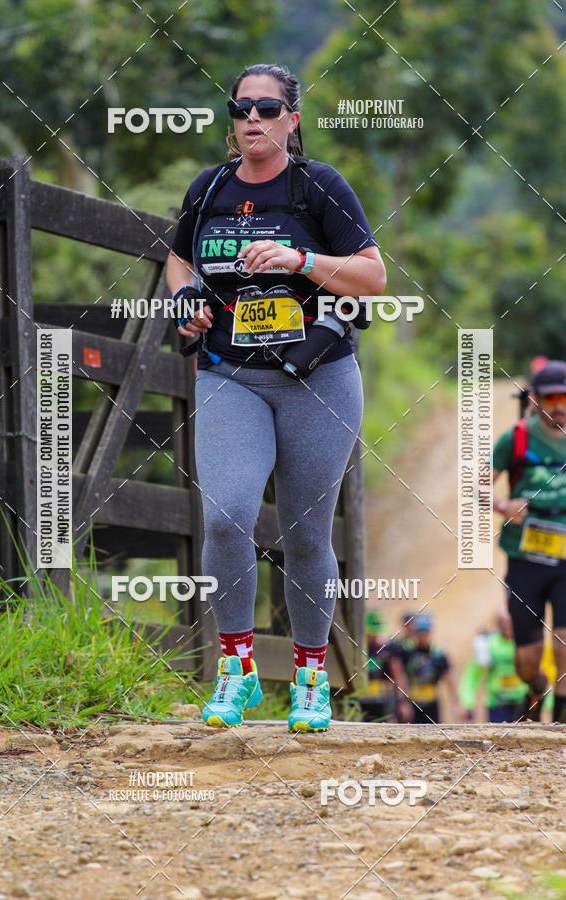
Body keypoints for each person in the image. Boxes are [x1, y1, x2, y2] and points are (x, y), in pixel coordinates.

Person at [166, 63, 386, 731]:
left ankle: (312, 678)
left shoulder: (320, 187)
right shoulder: (208, 191)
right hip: (229, 371)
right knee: (228, 516)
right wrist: (184, 300)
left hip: (317, 378)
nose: (253, 119)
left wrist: (300, 263)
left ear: (292, 119)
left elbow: (372, 277)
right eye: (241, 109)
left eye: (268, 108)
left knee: (306, 532)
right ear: (232, 122)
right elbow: (178, 257)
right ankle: (236, 672)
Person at [492, 359, 566, 722]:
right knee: (526, 660)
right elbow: (476, 485)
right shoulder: (516, 439)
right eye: (552, 398)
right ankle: (536, 690)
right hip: (525, 555)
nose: (560, 407)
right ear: (536, 400)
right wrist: (504, 505)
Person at [459, 608, 528, 723]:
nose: (507, 628)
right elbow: (473, 675)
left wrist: (547, 701)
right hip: (498, 706)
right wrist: (467, 701)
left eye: (510, 624)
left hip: (523, 704)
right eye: (503, 624)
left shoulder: (526, 644)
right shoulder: (488, 645)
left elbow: (543, 670)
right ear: (498, 624)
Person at [393, 613, 461, 723]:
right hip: (412, 702)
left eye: (425, 632)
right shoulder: (406, 651)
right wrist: (403, 702)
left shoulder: (438, 654)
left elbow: (450, 679)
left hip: (431, 704)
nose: (423, 635)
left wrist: (456, 703)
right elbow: (400, 678)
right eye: (420, 632)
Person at [352, 611, 410, 723]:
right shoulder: (356, 649)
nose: (374, 636)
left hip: (381, 702)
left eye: (376, 633)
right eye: (371, 633)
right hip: (359, 702)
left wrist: (403, 702)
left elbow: (398, 676)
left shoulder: (387, 649)